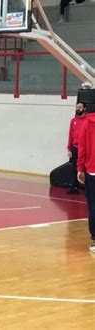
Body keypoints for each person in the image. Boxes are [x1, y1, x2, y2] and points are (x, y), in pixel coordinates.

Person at [76, 108, 95, 254]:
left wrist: (80, 168)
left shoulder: (88, 123)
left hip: (92, 171)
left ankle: (94, 240)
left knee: (93, 206)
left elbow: (82, 147)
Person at [66, 102, 87, 194]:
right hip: (75, 148)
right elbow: (70, 135)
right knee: (74, 168)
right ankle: (74, 187)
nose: (78, 108)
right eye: (77, 107)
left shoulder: (88, 121)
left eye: (80, 107)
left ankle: (88, 188)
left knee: (85, 168)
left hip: (85, 149)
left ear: (84, 108)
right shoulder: (73, 121)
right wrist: (69, 148)